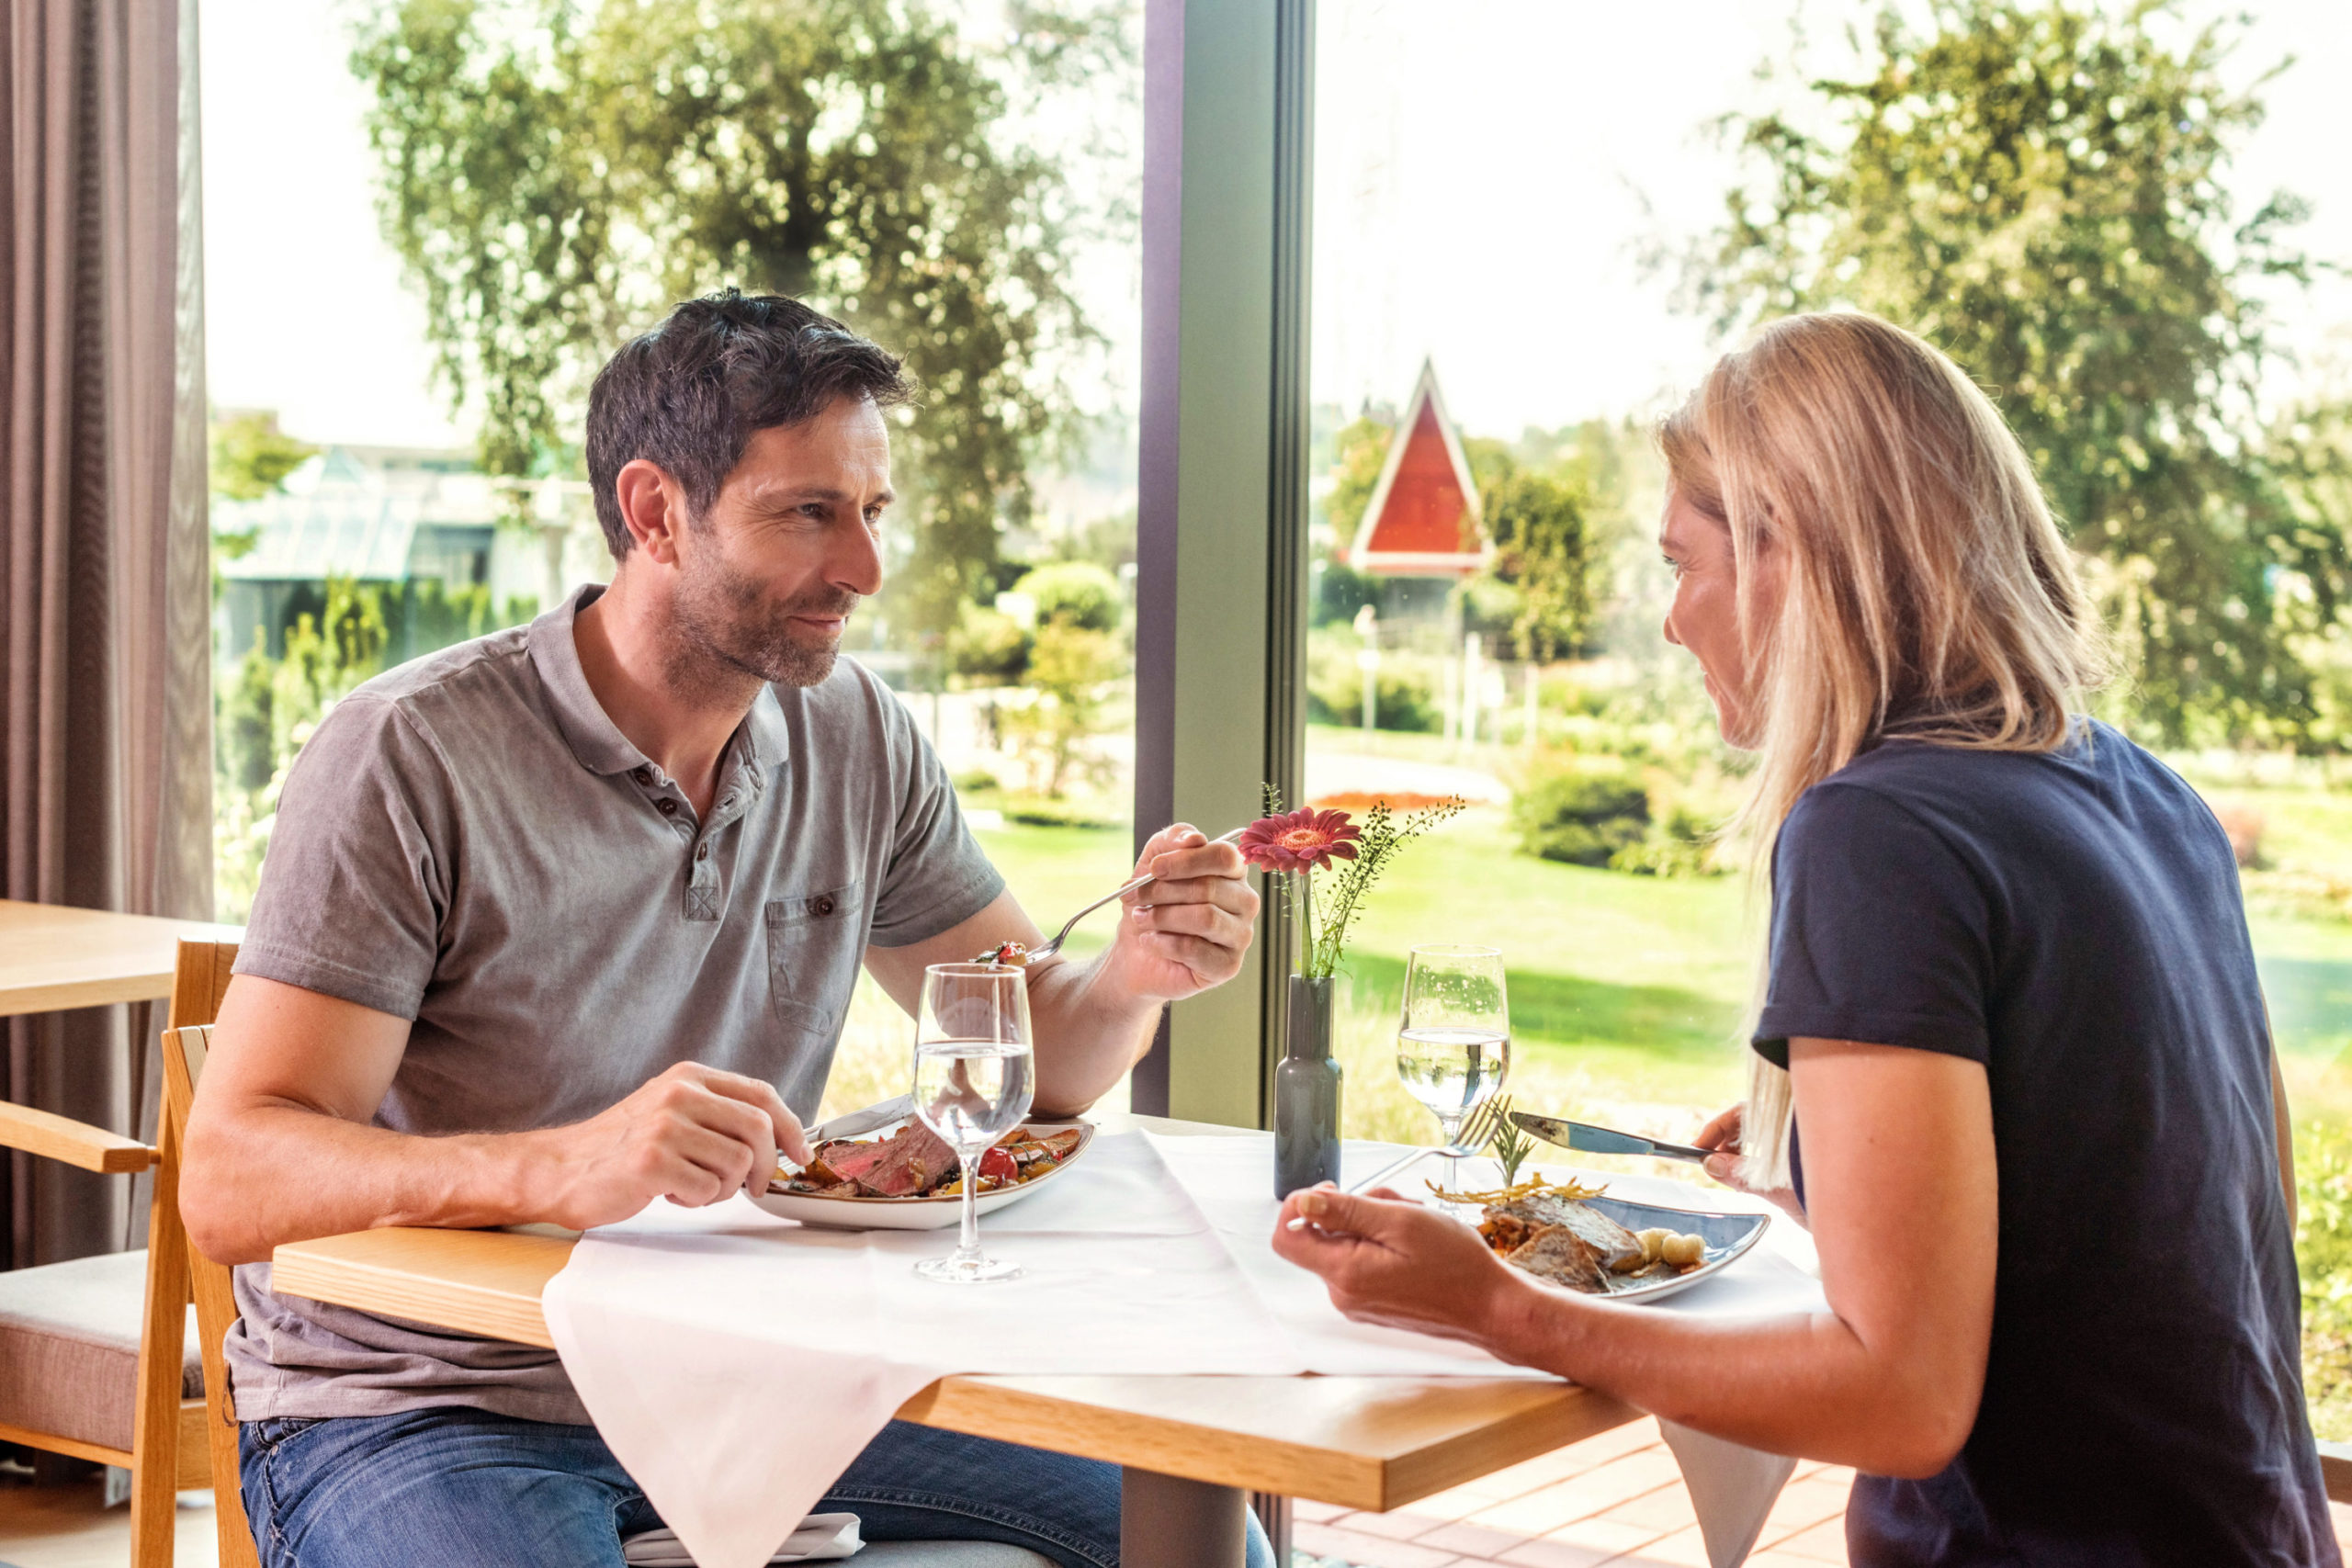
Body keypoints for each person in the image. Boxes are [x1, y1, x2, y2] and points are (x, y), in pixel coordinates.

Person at [180, 292, 1272, 1568]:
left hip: (757, 1369)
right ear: (654, 512)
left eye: (872, 513)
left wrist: (1132, 975)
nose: (864, 568)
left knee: (1197, 1532)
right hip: (433, 1405)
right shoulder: (410, 754)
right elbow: (233, 1178)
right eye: (809, 513)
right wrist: (555, 1167)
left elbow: (1024, 1057)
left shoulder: (857, 735)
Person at [1271, 311, 2335, 1566]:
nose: (1673, 621)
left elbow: (1902, 1400)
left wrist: (1496, 1305)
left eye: (1683, 563)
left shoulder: (1878, 829)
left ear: (1793, 552)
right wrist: (1843, 1187)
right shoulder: (2149, 795)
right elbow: (2185, 1226)